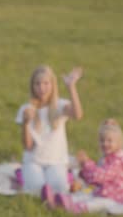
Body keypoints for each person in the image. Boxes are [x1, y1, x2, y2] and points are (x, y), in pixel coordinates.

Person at [44, 119, 123, 214]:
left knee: (96, 202)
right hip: (105, 190)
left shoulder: (118, 161)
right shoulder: (108, 158)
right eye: (102, 141)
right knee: (87, 194)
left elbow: (98, 176)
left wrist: (86, 163)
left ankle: (74, 208)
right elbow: (94, 176)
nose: (105, 143)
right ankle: (58, 201)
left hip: (117, 196)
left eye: (109, 141)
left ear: (118, 144)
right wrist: (84, 170)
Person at [15, 65, 84, 196]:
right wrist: (25, 123)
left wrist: (71, 87)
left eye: (46, 83)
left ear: (52, 85)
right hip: (33, 160)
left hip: (56, 161)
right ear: (32, 86)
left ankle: (65, 177)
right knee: (36, 189)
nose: (41, 88)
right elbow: (27, 146)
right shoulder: (27, 109)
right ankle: (23, 173)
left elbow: (78, 115)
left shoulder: (60, 105)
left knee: (58, 187)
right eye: (37, 84)